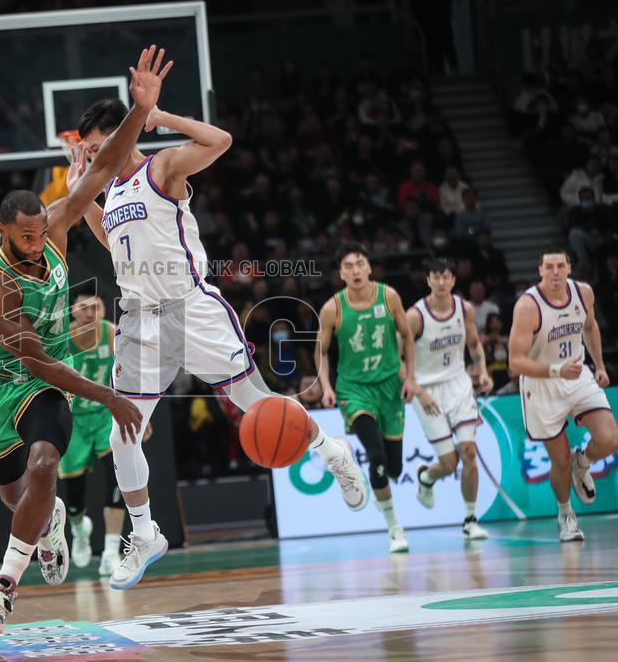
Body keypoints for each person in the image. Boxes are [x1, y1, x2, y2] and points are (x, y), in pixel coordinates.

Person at [72, 96, 368, 589]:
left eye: (102, 147)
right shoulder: (113, 192)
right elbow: (110, 239)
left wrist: (159, 118)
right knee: (120, 435)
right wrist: (81, 191)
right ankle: (145, 535)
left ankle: (332, 451)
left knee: (257, 404)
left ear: (123, 137)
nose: (98, 157)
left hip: (191, 309)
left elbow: (221, 141)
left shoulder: (162, 167)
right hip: (139, 322)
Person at [0, 45, 167, 632]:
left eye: (39, 236)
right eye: (23, 238)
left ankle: (2, 590)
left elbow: (102, 170)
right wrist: (108, 396)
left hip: (41, 386)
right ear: (2, 231)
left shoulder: (52, 225)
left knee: (46, 459)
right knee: (18, 497)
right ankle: (47, 521)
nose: (35, 245)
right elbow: (33, 356)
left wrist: (140, 109)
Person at [507, 248, 618, 542]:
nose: (555, 272)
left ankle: (581, 463)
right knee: (558, 461)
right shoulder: (528, 307)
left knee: (610, 439)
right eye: (549, 267)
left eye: (560, 266)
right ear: (540, 271)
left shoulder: (583, 293)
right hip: (542, 384)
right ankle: (565, 514)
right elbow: (515, 363)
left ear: (569, 268)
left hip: (577, 373)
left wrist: (599, 365)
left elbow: (590, 326)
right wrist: (556, 370)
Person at [318, 243, 416, 554]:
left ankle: (376, 479)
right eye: (349, 266)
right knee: (375, 456)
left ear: (369, 267)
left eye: (360, 264)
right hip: (354, 389)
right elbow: (320, 351)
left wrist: (409, 377)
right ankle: (394, 529)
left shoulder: (389, 296)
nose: (356, 270)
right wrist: (327, 387)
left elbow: (408, 335)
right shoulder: (333, 307)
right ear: (341, 274)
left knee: (394, 468)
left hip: (388, 386)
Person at [408, 259, 494, 540]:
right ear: (428, 280)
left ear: (453, 280)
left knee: (469, 453)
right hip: (427, 390)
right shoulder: (415, 316)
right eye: (436, 277)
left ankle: (470, 520)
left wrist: (482, 372)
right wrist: (418, 392)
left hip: (458, 385)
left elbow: (474, 344)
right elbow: (396, 359)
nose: (442, 281)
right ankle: (426, 477)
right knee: (448, 464)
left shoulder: (464, 309)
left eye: (446, 276)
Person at [59, 289, 143, 577]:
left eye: (96, 306)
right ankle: (79, 529)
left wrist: (135, 409)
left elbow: (129, 372)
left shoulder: (111, 334)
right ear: (73, 311)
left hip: (105, 414)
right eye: (84, 307)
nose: (90, 312)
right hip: (74, 419)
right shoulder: (62, 339)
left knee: (116, 475)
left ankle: (110, 550)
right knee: (74, 494)